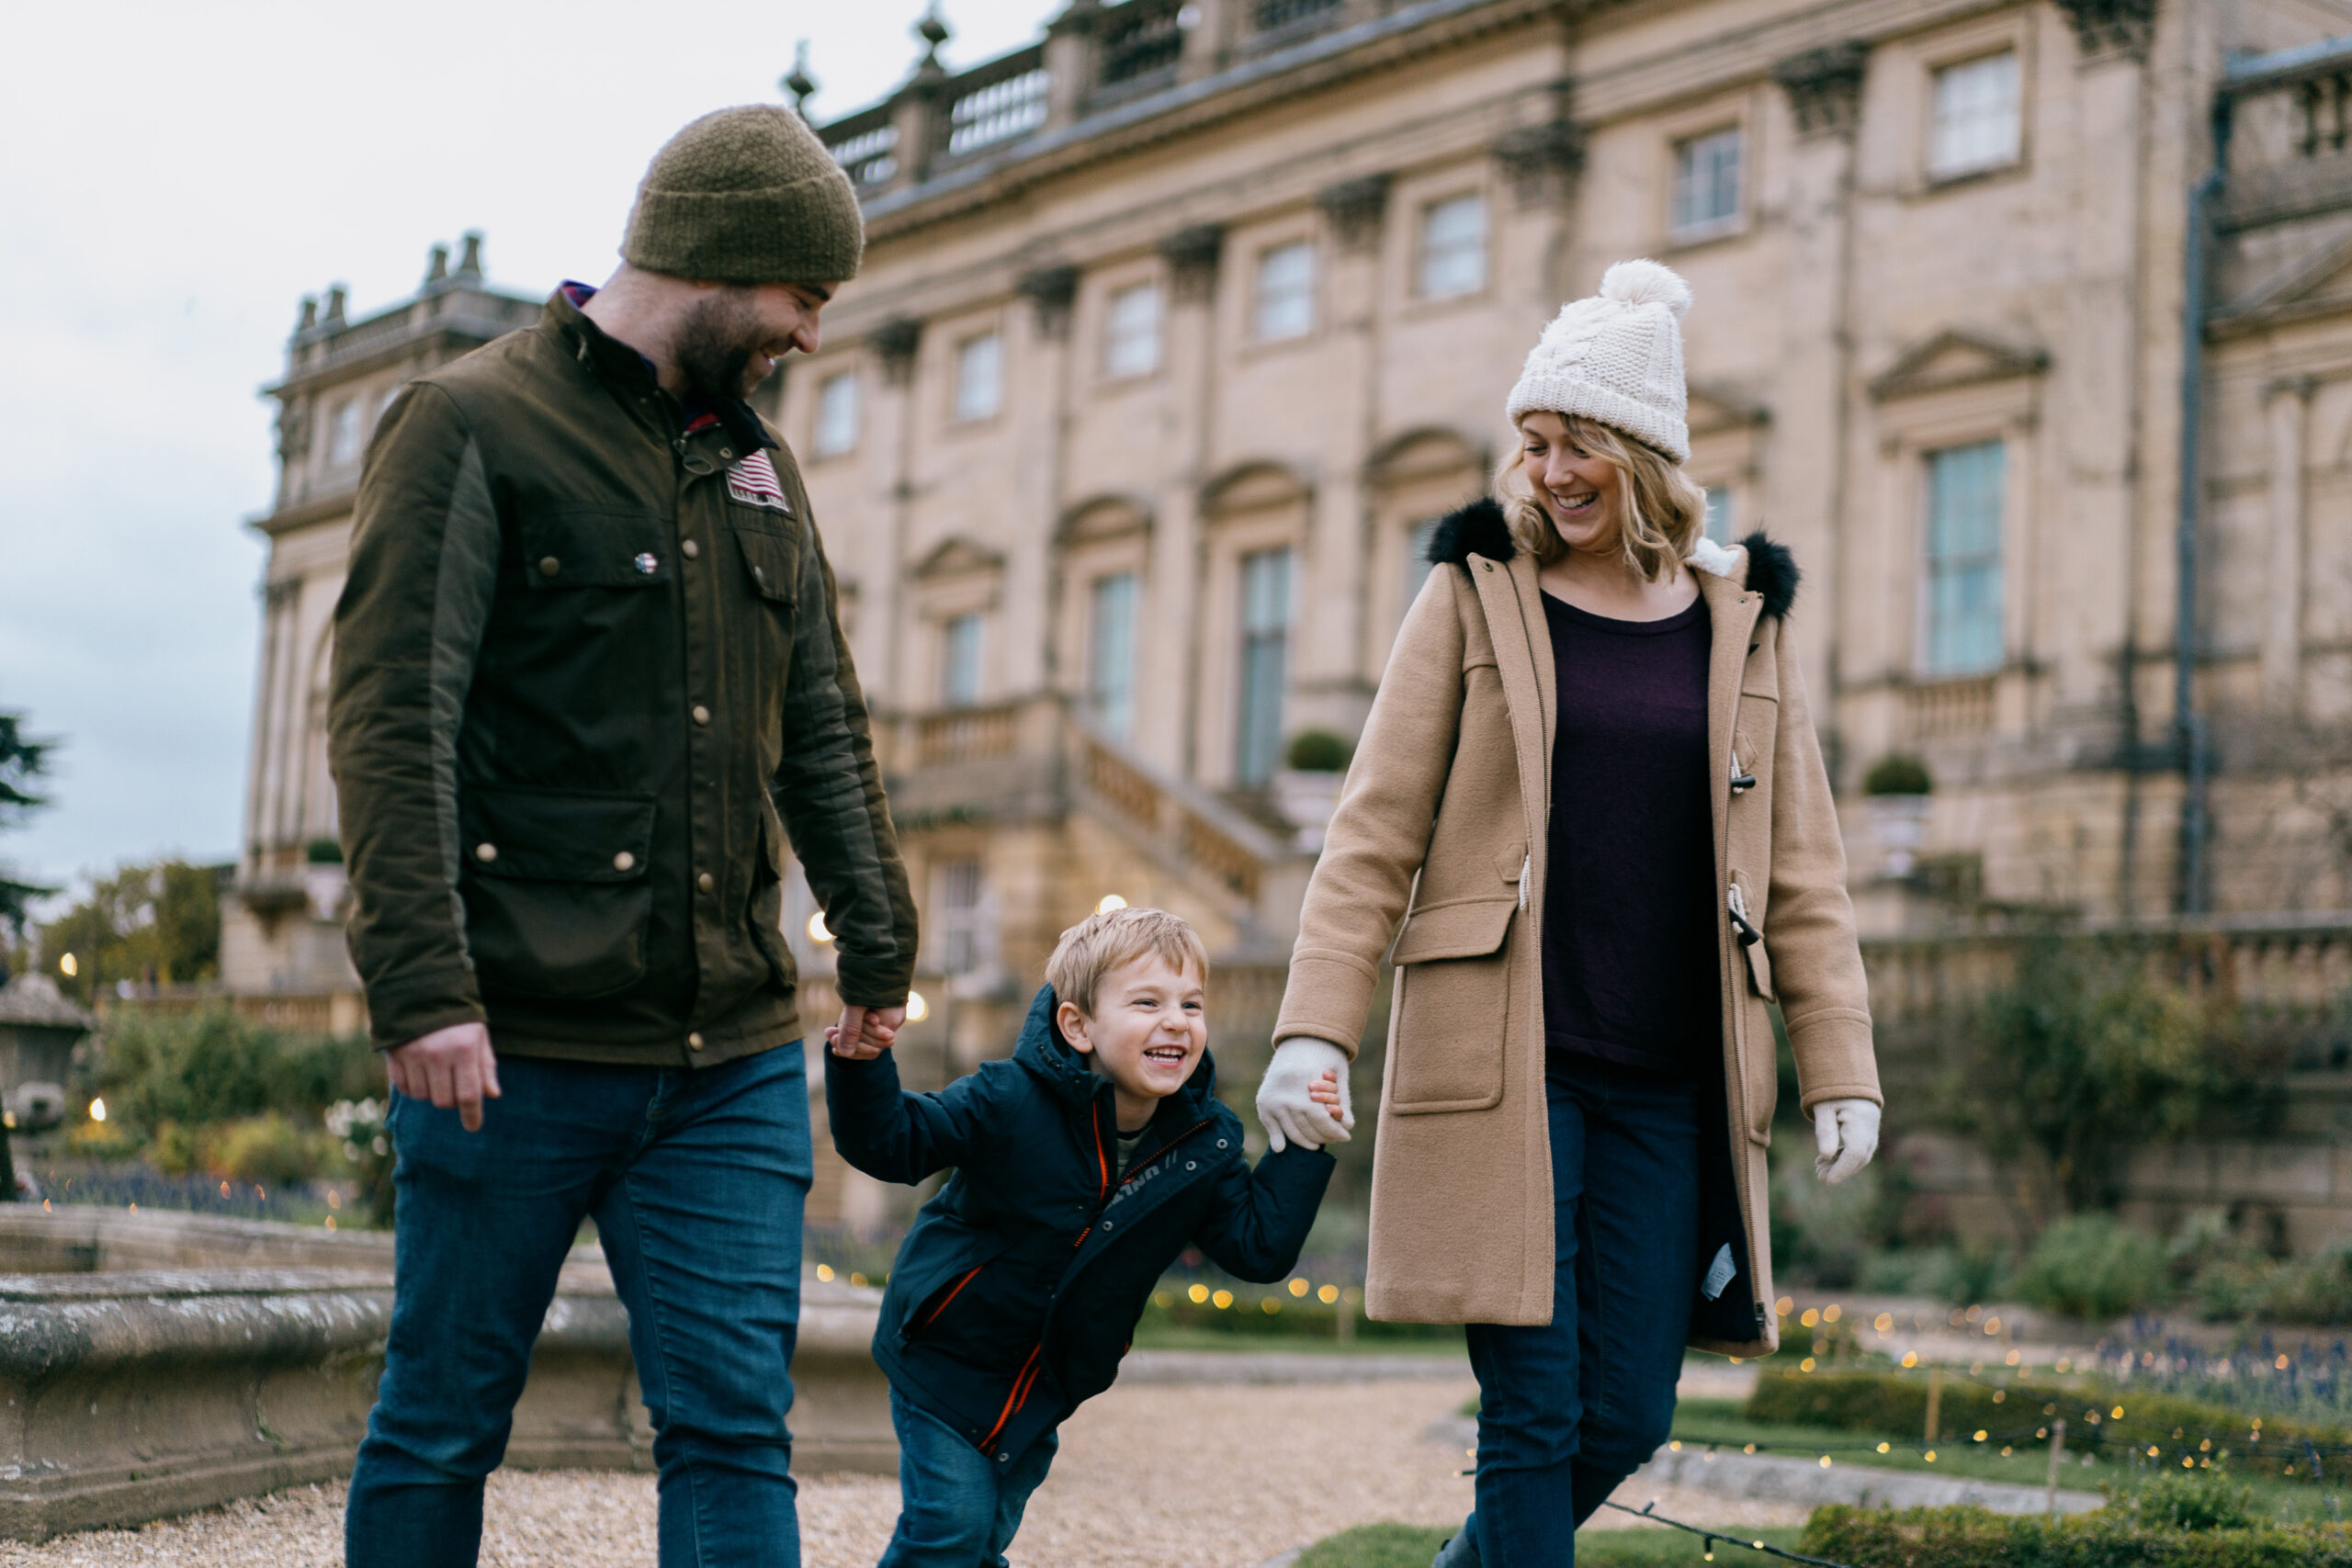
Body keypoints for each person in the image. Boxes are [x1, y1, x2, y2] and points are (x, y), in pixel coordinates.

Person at [328, 105, 919, 1568]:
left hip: (724, 1058)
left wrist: (876, 943)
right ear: (723, 263)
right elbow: (394, 718)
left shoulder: (759, 466)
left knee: (733, 1429)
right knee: (442, 1416)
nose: (811, 335)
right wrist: (423, 987)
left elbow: (823, 724)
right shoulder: (467, 422)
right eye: (804, 299)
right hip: (509, 1045)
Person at [1253, 260, 1884, 1565]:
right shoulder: (1476, 593)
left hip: (1669, 1082)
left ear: (1644, 454)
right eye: (1531, 442)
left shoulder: (1739, 624)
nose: (1546, 470)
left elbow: (1803, 873)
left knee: (1629, 1408)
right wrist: (1315, 1026)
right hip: (1507, 1066)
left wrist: (1842, 1065)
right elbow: (1374, 830)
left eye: (1576, 442)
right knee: (1533, 1414)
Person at [824, 906, 1337, 1568]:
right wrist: (862, 1062)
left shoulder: (1201, 1144)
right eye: (1147, 1001)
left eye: (1191, 1003)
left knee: (982, 1542)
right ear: (1078, 1025)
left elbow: (1259, 1246)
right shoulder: (1007, 1099)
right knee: (948, 1527)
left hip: (1048, 1380)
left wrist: (1304, 1141)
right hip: (946, 1354)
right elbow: (893, 1142)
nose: (1177, 1021)